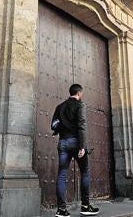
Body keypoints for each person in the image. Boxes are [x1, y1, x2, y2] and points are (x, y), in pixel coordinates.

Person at [51, 84, 100, 217]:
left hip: (63, 143)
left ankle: (61, 209)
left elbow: (53, 125)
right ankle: (85, 206)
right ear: (79, 93)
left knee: (61, 175)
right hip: (76, 142)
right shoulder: (80, 105)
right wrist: (82, 146)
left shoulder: (60, 107)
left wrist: (61, 127)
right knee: (85, 172)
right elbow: (82, 125)